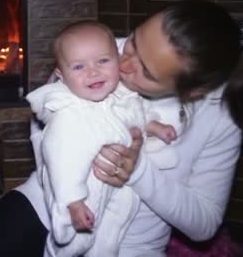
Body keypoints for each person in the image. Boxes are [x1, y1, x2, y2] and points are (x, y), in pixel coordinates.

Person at [0, 0, 243, 257]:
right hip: (50, 207)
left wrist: (137, 172)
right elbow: (45, 128)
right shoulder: (97, 52)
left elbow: (204, 224)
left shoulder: (220, 118)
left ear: (192, 91)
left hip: (131, 246)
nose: (123, 65)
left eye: (147, 73)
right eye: (135, 41)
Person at [26, 21, 179, 257]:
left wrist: (153, 126)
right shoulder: (69, 115)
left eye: (103, 61)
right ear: (61, 76)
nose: (93, 72)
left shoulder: (119, 94)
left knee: (107, 240)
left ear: (117, 60)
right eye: (78, 67)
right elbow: (61, 161)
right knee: (69, 246)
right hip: (77, 191)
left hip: (113, 191)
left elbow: (133, 112)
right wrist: (72, 202)